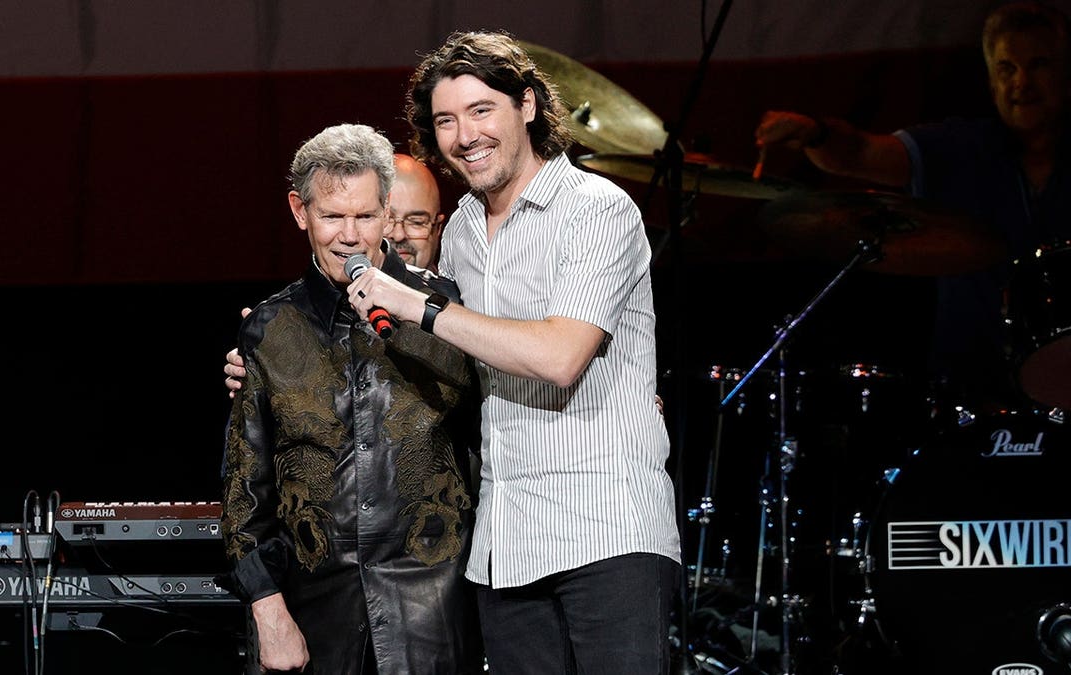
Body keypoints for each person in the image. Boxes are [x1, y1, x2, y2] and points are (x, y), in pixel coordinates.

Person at [345, 31, 682, 674]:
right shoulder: (465, 227)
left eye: (481, 110)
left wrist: (429, 308)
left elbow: (559, 357)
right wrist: (276, 355)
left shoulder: (596, 209)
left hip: (605, 529)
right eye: (446, 119)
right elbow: (438, 356)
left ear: (526, 105)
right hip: (506, 542)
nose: (464, 135)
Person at [220, 122, 483, 674]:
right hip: (315, 614)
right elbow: (246, 493)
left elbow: (502, 434)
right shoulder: (271, 329)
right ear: (300, 212)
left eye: (364, 216)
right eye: (332, 216)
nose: (349, 235)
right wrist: (269, 614)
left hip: (431, 612)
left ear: (387, 212)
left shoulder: (448, 312)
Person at [754, 0, 1070, 411]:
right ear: (991, 82)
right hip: (967, 391)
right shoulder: (960, 147)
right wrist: (815, 134)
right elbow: (861, 152)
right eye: (1007, 69)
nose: (1021, 83)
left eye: (1039, 65)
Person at [225, 153, 447, 399]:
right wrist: (265, 350)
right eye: (333, 216)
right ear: (302, 212)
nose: (396, 233)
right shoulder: (275, 323)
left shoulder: (459, 303)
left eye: (417, 221)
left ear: (438, 227)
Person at [387, 152, 447, 272]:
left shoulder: (463, 290)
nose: (398, 235)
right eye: (387, 219)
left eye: (416, 222)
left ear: (438, 229)